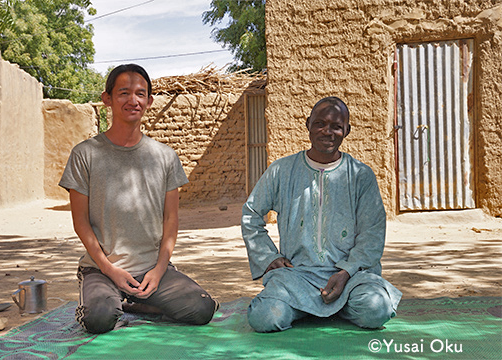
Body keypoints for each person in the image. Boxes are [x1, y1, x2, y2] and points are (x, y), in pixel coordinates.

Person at [59, 64, 218, 334]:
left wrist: (159, 269)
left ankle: (135, 301)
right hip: (102, 268)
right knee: (98, 318)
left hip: (152, 268)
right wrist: (109, 269)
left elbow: (171, 219)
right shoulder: (85, 154)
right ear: (107, 98)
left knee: (202, 308)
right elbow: (81, 223)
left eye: (140, 94)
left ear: (149, 101)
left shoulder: (165, 157)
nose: (133, 100)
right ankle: (112, 298)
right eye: (123, 93)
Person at [241, 96, 402, 333]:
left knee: (377, 308)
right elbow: (251, 213)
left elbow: (372, 232)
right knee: (266, 317)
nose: (327, 132)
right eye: (320, 124)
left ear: (347, 130)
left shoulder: (360, 175)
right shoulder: (282, 171)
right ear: (308, 124)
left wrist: (346, 272)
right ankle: (310, 306)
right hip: (297, 276)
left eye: (336, 126)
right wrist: (268, 257)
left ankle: (312, 307)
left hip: (350, 277)